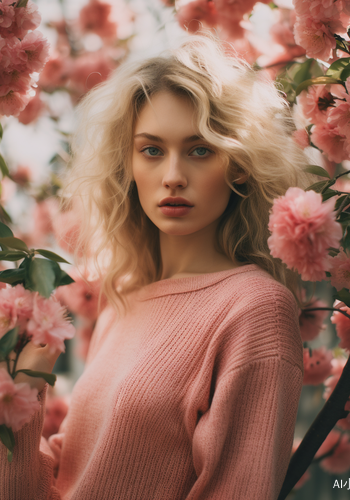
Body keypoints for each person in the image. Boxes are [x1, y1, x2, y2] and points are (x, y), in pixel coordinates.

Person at [1, 32, 308, 500]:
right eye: (152, 150)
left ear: (240, 164)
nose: (173, 176)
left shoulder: (254, 309)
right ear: (128, 165)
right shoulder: (121, 304)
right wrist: (25, 386)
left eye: (200, 149)